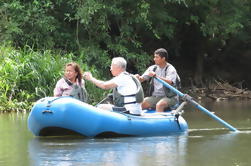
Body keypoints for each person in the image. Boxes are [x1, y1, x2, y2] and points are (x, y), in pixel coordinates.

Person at [135, 48, 180, 112]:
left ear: (163, 59)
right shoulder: (153, 68)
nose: (154, 59)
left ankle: (160, 120)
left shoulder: (170, 69)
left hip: (170, 97)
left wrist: (156, 76)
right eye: (154, 57)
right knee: (140, 104)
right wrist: (137, 78)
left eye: (157, 57)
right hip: (155, 97)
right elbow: (142, 79)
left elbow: (170, 82)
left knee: (159, 105)